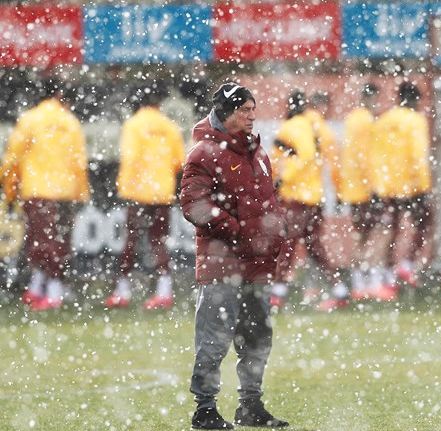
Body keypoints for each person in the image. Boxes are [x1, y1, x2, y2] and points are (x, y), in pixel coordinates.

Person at [180, 82, 289, 429]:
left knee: (257, 338)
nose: (252, 116)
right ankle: (205, 410)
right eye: (245, 109)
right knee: (213, 339)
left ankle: (250, 405)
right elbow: (194, 205)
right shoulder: (203, 152)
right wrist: (239, 232)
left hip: (256, 265)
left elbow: (268, 202)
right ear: (227, 113)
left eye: (253, 109)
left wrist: (276, 230)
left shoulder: (258, 153)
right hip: (221, 264)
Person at [0, 76, 90, 310]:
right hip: (66, 192)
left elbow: (13, 158)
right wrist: (80, 193)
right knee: (59, 242)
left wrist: (10, 190)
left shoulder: (30, 120)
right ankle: (42, 287)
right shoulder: (70, 121)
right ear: (59, 95)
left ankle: (51, 291)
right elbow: (80, 161)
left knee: (40, 241)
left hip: (37, 190)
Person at [104, 80, 186, 310]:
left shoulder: (133, 125)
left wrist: (125, 187)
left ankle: (123, 291)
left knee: (130, 241)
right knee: (159, 242)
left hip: (138, 192)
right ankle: (164, 291)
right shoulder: (170, 126)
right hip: (162, 192)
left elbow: (129, 158)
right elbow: (180, 161)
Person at [269, 90, 347, 311]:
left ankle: (278, 292)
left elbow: (303, 156)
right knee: (313, 246)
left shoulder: (292, 127)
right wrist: (338, 191)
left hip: (297, 196)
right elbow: (328, 159)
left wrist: (281, 180)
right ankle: (339, 289)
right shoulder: (316, 126)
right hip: (314, 197)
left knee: (288, 243)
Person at [368, 81, 434, 301]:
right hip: (411, 186)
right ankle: (406, 264)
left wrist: (378, 186)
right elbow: (418, 155)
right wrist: (423, 186)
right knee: (424, 224)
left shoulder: (384, 120)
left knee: (392, 231)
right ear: (416, 100)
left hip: (388, 188)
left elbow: (375, 156)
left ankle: (388, 278)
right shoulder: (415, 121)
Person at [339, 83, 381, 300]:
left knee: (361, 235)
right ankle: (367, 282)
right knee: (370, 235)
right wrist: (374, 186)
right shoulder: (365, 120)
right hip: (364, 188)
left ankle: (358, 282)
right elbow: (366, 156)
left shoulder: (352, 118)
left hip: (353, 187)